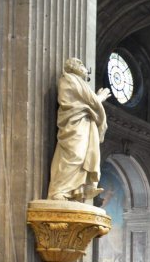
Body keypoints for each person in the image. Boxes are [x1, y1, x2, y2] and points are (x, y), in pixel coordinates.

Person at [46, 57, 111, 202]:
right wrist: (99, 98)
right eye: (80, 64)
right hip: (74, 123)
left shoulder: (81, 83)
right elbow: (86, 102)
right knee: (75, 155)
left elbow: (89, 101)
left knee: (86, 156)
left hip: (85, 122)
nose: (84, 67)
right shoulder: (68, 79)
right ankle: (59, 191)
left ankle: (76, 191)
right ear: (72, 66)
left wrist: (95, 100)